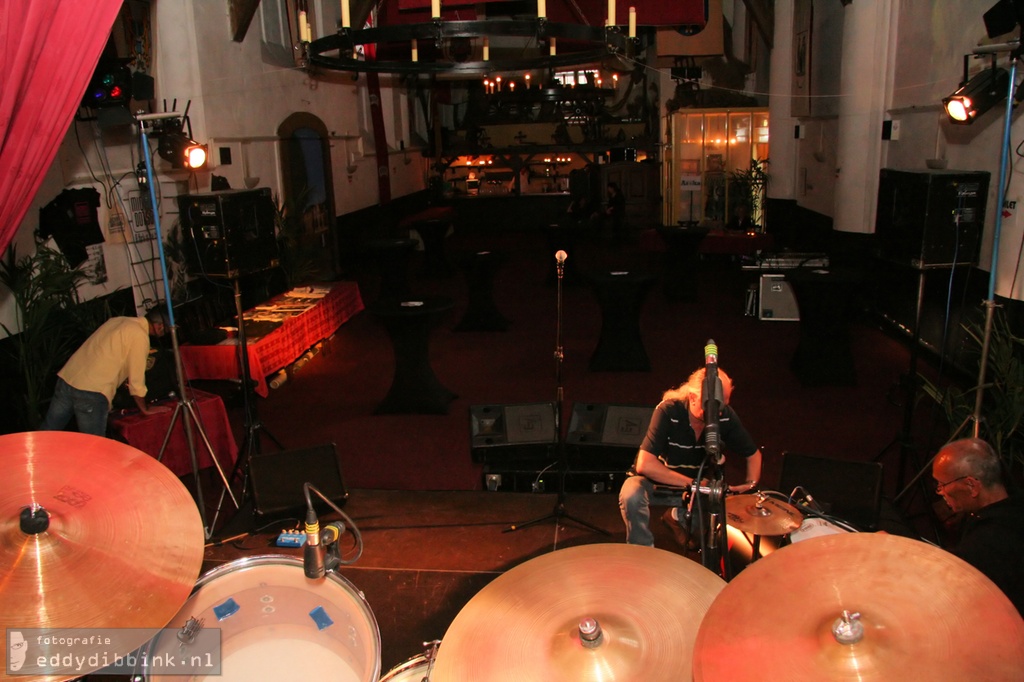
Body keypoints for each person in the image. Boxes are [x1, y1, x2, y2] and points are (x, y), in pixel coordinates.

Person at [619, 367, 762, 548]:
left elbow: (754, 455)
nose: (717, 413)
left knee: (714, 513)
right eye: (710, 406)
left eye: (723, 404)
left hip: (693, 489)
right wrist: (693, 483)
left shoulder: (725, 416)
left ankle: (675, 517)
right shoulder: (668, 411)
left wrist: (749, 487)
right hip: (658, 483)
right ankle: (642, 549)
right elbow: (645, 465)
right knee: (631, 494)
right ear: (692, 397)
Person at [41, 307, 172, 436]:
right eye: (166, 329)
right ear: (159, 326)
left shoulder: (118, 320)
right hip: (91, 391)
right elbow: (136, 380)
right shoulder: (140, 336)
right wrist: (145, 409)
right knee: (95, 446)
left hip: (67, 379)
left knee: (48, 432)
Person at [931, 437, 1024, 615]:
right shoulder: (1013, 501)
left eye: (943, 484)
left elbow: (947, 577)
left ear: (971, 485)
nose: (940, 492)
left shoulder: (988, 542)